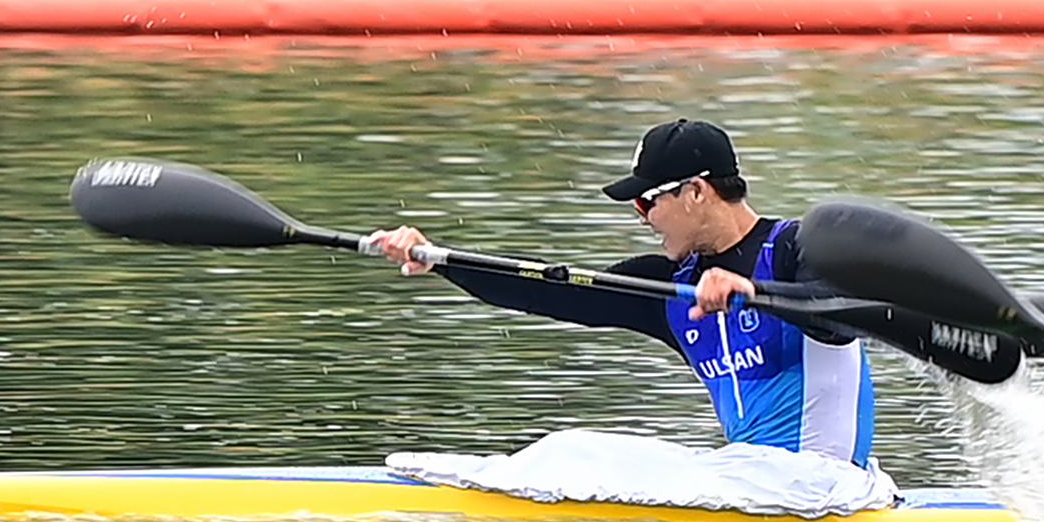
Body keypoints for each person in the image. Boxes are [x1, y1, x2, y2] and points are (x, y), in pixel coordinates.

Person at [368, 118, 879, 465]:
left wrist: (753, 289)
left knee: (577, 455)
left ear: (696, 191)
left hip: (825, 486)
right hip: (755, 486)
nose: (644, 218)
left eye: (645, 203)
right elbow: (547, 291)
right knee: (568, 449)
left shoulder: (797, 247)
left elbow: (842, 317)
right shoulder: (669, 286)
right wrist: (436, 258)